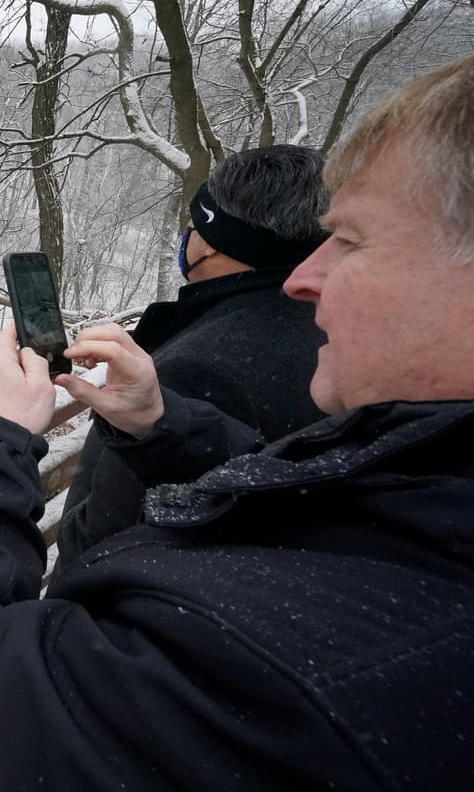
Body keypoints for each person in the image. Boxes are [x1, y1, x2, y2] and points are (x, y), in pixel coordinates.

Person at [0, 29, 474, 790]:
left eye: (352, 239)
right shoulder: (456, 498)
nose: (304, 278)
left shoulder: (266, 674)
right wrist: (161, 424)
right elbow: (322, 511)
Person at [57, 145, 328, 569]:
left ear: (216, 245)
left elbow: (102, 538)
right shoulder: (328, 327)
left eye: (192, 227)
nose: (185, 237)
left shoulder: (197, 369)